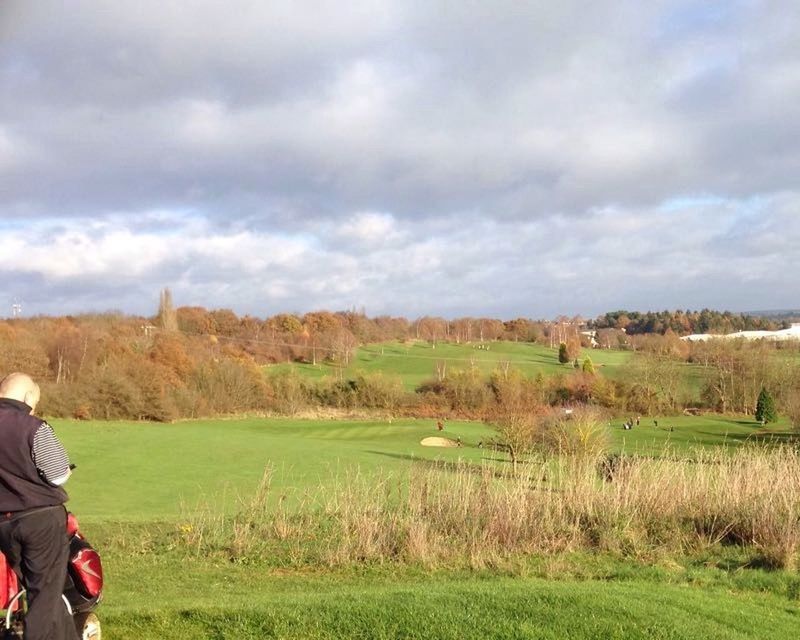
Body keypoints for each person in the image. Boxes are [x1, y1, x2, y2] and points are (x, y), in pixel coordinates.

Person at [0, 373, 78, 640]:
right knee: (44, 596)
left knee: (43, 591)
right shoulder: (33, 426)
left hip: (4, 523)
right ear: (27, 397)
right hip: (40, 518)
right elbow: (57, 474)